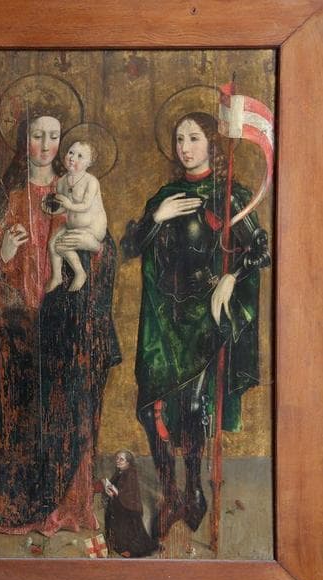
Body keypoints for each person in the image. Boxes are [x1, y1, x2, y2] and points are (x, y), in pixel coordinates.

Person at [0, 93, 121, 534]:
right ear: (23, 141)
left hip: (64, 329)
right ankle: (25, 494)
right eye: (36, 135)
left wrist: (93, 252)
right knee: (25, 415)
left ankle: (68, 502)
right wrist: (6, 252)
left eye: (53, 136)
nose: (46, 145)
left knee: (66, 414)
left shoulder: (77, 190)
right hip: (21, 331)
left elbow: (103, 246)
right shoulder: (11, 199)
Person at [121, 111, 270, 540]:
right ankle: (170, 494)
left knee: (190, 410)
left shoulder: (230, 195)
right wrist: (157, 216)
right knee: (151, 409)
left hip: (203, 317)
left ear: (211, 144)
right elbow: (130, 246)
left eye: (194, 138)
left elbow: (261, 250)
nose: (185, 147)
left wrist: (231, 278)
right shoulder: (164, 195)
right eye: (179, 139)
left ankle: (193, 490)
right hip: (162, 320)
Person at [45, 140, 107, 292]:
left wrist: (68, 205)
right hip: (72, 225)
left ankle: (80, 273)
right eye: (71, 152)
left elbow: (85, 205)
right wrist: (52, 210)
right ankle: (57, 277)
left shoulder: (91, 182)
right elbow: (64, 208)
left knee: (61, 245)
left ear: (89, 163)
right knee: (52, 243)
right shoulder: (61, 182)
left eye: (80, 156)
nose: (73, 158)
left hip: (92, 228)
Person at [102, 450, 158, 558]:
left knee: (126, 528)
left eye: (121, 459)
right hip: (119, 504)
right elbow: (114, 487)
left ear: (128, 463)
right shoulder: (119, 472)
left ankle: (129, 550)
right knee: (112, 518)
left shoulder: (131, 473)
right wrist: (108, 489)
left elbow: (129, 494)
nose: (118, 461)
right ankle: (116, 546)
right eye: (117, 458)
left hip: (129, 508)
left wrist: (116, 492)